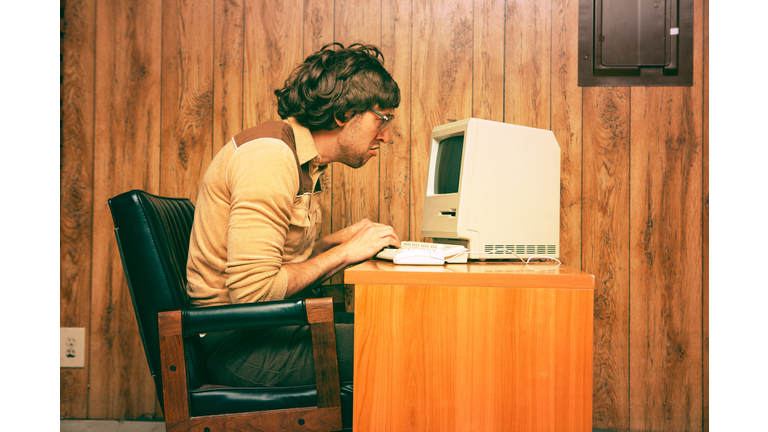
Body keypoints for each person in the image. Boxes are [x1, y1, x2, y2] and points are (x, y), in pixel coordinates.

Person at [185, 42, 401, 387]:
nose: (386, 135)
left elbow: (279, 263)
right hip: (237, 344)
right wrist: (344, 253)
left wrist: (336, 241)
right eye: (383, 118)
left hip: (263, 329)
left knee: (393, 326)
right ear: (344, 114)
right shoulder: (269, 159)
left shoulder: (301, 160)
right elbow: (254, 293)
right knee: (400, 343)